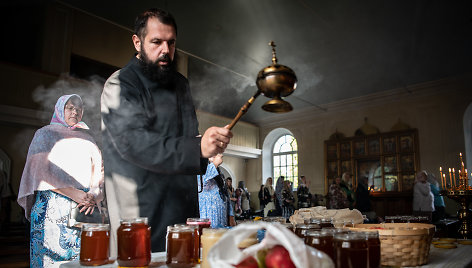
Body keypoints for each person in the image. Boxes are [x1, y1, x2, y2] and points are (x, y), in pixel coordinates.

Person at [101, 8, 233, 254]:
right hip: (141, 212)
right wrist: (197, 148)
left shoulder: (181, 84)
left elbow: (187, 139)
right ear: (137, 42)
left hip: (183, 209)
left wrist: (207, 144)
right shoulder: (121, 83)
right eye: (156, 42)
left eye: (171, 43)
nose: (165, 50)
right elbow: (134, 143)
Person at [18, 94, 104, 267]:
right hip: (52, 208)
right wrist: (75, 194)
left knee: (83, 260)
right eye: (70, 107)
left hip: (83, 209)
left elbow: (99, 172)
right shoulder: (44, 134)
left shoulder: (88, 139)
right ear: (60, 109)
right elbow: (40, 171)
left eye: (79, 109)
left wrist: (93, 194)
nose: (75, 112)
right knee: (50, 260)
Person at [197, 154, 234, 228]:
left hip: (222, 216)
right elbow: (202, 182)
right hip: (208, 216)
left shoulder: (221, 174)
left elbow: (226, 195)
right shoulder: (199, 169)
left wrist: (231, 215)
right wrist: (215, 164)